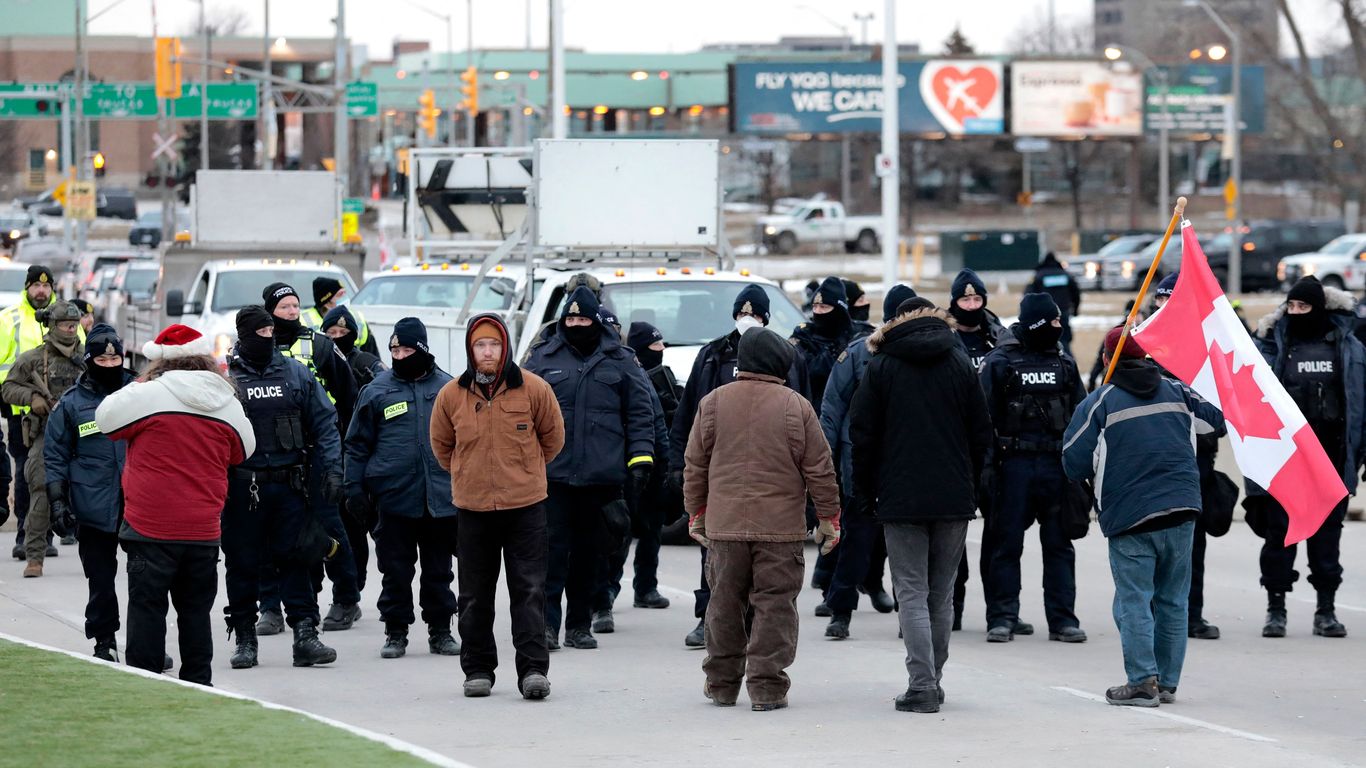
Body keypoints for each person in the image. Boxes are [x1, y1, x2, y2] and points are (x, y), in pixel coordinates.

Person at [1063, 327, 1225, 706]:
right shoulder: (1178, 391)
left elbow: (1072, 461)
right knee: (1172, 600)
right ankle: (1167, 682)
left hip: (1130, 514)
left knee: (1134, 600)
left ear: (1107, 360)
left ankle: (1141, 683)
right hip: (1183, 509)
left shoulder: (1100, 402)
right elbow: (1215, 421)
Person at [685, 327, 841, 712]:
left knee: (722, 603)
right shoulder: (796, 406)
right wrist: (828, 517)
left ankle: (721, 685)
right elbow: (820, 469)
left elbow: (695, 464)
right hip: (781, 529)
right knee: (775, 605)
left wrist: (697, 511)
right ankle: (767, 689)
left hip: (725, 527)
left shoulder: (713, 402)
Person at [850, 297, 992, 714]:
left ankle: (922, 683)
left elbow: (862, 435)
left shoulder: (881, 365)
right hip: (953, 496)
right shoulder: (959, 361)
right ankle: (934, 679)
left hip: (899, 495)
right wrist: (973, 484)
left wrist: (863, 490)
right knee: (941, 595)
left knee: (910, 592)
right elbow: (982, 432)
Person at [95, 324, 255, 685]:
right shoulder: (225, 400)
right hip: (202, 529)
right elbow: (244, 450)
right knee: (196, 613)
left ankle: (145, 682)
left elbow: (105, 420)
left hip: (149, 526)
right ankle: (200, 684)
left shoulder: (147, 395)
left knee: (147, 610)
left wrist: (140, 384)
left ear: (159, 360)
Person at [430, 313, 564, 700]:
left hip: (525, 508)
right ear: (471, 351)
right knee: (473, 595)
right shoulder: (452, 395)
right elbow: (442, 446)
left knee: (529, 590)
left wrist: (524, 472)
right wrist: (467, 472)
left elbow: (553, 439)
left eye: (493, 345)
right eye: (480, 345)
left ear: (505, 348)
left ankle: (534, 670)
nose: (487, 352)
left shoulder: (534, 389)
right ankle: (478, 670)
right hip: (472, 509)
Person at [669, 284, 808, 648]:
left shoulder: (788, 356)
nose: (747, 319)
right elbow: (689, 417)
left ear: (766, 317)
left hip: (773, 472)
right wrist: (678, 467)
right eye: (741, 312)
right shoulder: (712, 355)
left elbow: (806, 418)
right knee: (716, 555)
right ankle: (707, 618)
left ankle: (756, 626)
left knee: (768, 560)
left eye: (755, 313)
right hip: (723, 472)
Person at [524, 286, 654, 651]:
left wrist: (641, 460)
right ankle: (547, 626)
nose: (576, 324)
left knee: (589, 556)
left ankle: (579, 625)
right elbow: (520, 412)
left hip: (601, 477)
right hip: (553, 476)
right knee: (549, 555)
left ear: (595, 321)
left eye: (582, 319)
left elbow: (640, 414)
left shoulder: (621, 360)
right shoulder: (542, 358)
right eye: (570, 319)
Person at [222, 306, 344, 670]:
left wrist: (333, 472)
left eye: (270, 332)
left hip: (291, 485)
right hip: (243, 489)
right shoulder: (225, 378)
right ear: (244, 335)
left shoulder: (295, 373)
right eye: (260, 333)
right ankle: (245, 638)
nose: (267, 338)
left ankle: (305, 635)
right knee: (242, 565)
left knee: (298, 560)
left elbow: (325, 423)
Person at [1248, 276, 1363, 639]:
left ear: (1319, 308)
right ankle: (1275, 608)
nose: (1296, 313)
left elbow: (1361, 403)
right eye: (1292, 306)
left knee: (1327, 537)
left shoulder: (1348, 347)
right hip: (1286, 461)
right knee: (1280, 535)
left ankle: (1325, 610)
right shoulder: (1272, 343)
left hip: (1331, 458)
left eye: (1304, 307)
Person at [345, 318, 460, 661]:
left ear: (422, 349)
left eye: (407, 349)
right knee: (395, 570)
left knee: (439, 570)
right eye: (395, 349)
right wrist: (354, 487)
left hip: (440, 498)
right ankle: (395, 631)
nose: (400, 355)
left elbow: (467, 442)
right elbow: (356, 445)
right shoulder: (376, 390)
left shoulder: (449, 389)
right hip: (394, 498)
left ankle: (440, 630)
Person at [978, 294, 1088, 644]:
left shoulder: (1064, 363)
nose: (1059, 327)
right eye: (1053, 322)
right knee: (1005, 544)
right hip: (1013, 466)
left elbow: (1081, 416)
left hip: (1056, 467)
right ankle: (1002, 616)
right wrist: (985, 469)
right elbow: (981, 419)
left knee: (1059, 545)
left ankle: (1063, 620)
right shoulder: (1000, 362)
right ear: (1037, 323)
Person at [259, 281, 361, 635]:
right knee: (271, 537)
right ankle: (270, 608)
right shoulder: (256, 349)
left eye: (294, 306)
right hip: (273, 458)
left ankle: (347, 598)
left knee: (330, 530)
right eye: (283, 307)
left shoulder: (320, 345)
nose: (290, 312)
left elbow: (349, 398)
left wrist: (341, 452)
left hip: (318, 453)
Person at [818, 285, 916, 639]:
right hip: (862, 466)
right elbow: (831, 409)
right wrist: (825, 458)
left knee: (906, 551)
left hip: (905, 467)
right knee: (855, 542)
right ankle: (840, 610)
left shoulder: (920, 353)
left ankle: (910, 617)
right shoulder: (860, 353)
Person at [44, 323, 135, 659]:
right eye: (103, 361)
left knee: (145, 582)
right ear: (89, 360)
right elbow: (55, 456)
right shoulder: (71, 404)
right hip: (92, 505)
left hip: (138, 503)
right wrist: (57, 501)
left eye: (116, 362)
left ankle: (144, 642)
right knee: (100, 580)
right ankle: (104, 640)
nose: (110, 367)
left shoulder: (140, 395)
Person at [1148, 274, 1228, 640]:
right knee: (1148, 541)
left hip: (1195, 462)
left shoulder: (1208, 350)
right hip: (1148, 461)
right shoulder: (1138, 343)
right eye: (1162, 301)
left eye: (1174, 303)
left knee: (1190, 546)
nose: (1167, 310)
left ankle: (1190, 614)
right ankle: (1147, 615)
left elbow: (1223, 414)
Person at [945, 268, 1011, 628]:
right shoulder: (944, 339)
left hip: (995, 453)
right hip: (956, 452)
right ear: (954, 302)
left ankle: (1000, 614)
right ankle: (951, 609)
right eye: (964, 299)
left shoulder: (1000, 339)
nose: (971, 304)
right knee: (952, 538)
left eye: (976, 298)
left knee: (999, 538)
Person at [596, 321, 674, 621]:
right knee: (617, 533)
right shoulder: (621, 369)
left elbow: (655, 421)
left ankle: (645, 587)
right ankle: (605, 596)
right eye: (656, 346)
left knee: (651, 529)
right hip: (617, 466)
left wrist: (666, 466)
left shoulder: (645, 373)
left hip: (649, 466)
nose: (662, 351)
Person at [2, 301, 85, 578]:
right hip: (48, 434)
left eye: (74, 326)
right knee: (40, 490)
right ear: (52, 326)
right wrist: (33, 398)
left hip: (83, 435)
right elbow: (9, 387)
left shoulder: (86, 359)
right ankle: (34, 556)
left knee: (91, 493)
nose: (70, 330)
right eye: (64, 325)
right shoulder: (34, 359)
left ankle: (94, 555)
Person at [0, 265, 61, 560]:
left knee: (56, 470)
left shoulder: (65, 319)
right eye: (36, 285)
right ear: (27, 288)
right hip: (22, 412)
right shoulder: (8, 319)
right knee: (27, 472)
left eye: (46, 286)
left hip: (61, 412)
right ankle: (25, 533)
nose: (41, 291)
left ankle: (48, 534)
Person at [303, 276, 378, 355]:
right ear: (327, 302)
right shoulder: (304, 320)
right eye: (340, 295)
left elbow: (372, 354)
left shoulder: (357, 318)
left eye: (344, 293)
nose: (345, 298)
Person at [1027, 252, 1082, 356]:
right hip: (1063, 312)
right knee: (1064, 339)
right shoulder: (1066, 275)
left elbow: (1029, 295)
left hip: (1043, 315)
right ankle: (1067, 360)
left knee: (1043, 340)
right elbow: (1076, 293)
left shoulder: (1039, 276)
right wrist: (1075, 310)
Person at [323, 304, 385, 390]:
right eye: (332, 333)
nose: (338, 337)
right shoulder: (318, 361)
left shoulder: (364, 361)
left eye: (343, 332)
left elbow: (387, 381)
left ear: (353, 335)